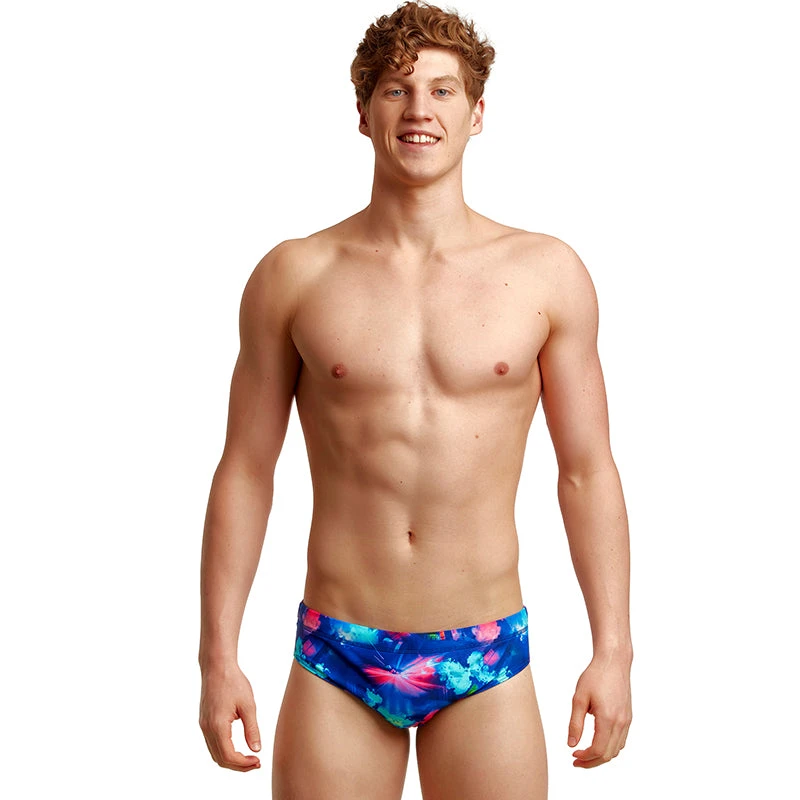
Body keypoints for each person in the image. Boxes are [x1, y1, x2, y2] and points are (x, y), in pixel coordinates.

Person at [198, 2, 632, 797]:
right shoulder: (295, 275)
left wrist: (614, 651)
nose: (419, 110)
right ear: (363, 112)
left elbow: (586, 471)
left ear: (477, 113)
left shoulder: (546, 274)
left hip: (484, 650)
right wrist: (217, 658)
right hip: (339, 649)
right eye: (396, 90)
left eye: (442, 90)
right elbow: (246, 471)